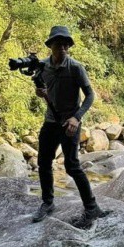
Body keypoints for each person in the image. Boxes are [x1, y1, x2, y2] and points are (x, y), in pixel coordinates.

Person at [30, 25, 108, 228]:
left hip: (70, 124)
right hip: (50, 121)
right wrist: (40, 92)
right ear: (51, 46)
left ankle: (92, 208)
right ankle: (47, 203)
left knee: (72, 166)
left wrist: (77, 117)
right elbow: (41, 87)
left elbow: (90, 95)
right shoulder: (43, 66)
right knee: (44, 163)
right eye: (58, 43)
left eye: (66, 44)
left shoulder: (76, 68)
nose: (63, 47)